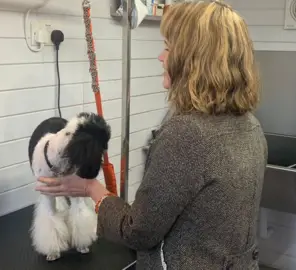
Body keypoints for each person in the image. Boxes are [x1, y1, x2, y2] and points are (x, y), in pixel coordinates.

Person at [36, 1, 268, 269]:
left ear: (192, 60)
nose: (161, 56)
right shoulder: (250, 126)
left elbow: (138, 232)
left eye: (168, 48)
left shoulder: (188, 135)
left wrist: (92, 189)